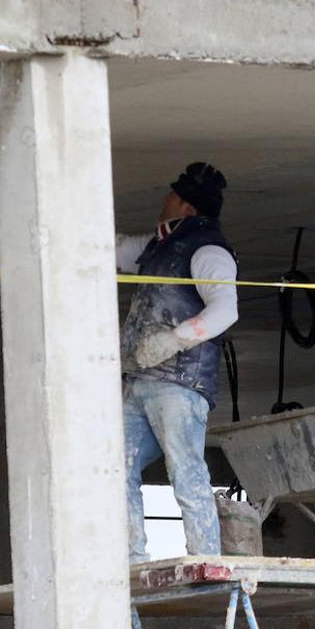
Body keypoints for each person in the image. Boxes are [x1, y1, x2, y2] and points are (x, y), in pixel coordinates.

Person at [117, 162, 238, 564]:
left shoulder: (208, 251)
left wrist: (173, 339)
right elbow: (112, 248)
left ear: (186, 208)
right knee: (116, 468)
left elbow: (226, 310)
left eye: (172, 195)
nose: (163, 200)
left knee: (185, 470)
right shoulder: (159, 246)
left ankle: (206, 559)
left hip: (179, 383)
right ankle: (131, 558)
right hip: (141, 380)